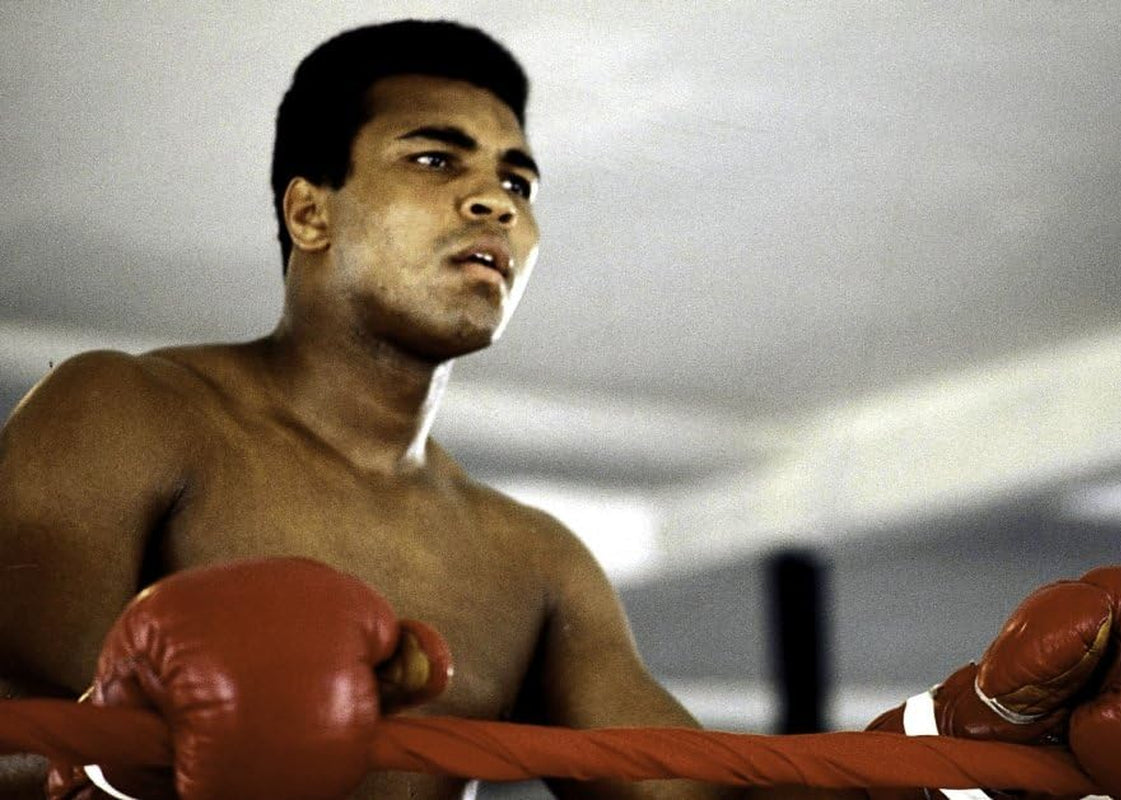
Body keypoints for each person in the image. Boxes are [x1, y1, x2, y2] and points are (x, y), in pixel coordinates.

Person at [0, 19, 846, 800]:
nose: (497, 201)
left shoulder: (534, 561)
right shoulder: (125, 415)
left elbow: (691, 793)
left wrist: (939, 756)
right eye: (436, 160)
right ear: (310, 212)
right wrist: (121, 751)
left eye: (516, 179)